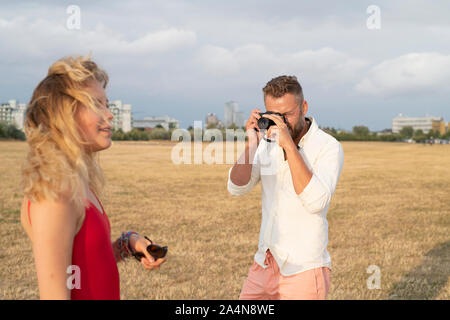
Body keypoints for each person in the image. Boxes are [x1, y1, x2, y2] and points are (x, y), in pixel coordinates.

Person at [20, 56, 166, 300]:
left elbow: (82, 267)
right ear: (65, 115)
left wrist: (127, 244)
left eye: (106, 104)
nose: (109, 115)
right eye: (97, 105)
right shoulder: (56, 193)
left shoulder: (75, 182)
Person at [228, 75, 344, 300]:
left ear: (304, 107)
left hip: (304, 269)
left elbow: (316, 202)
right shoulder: (266, 143)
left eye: (288, 114)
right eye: (275, 115)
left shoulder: (328, 146)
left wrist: (289, 146)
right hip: (264, 262)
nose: (282, 122)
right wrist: (252, 143)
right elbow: (236, 187)